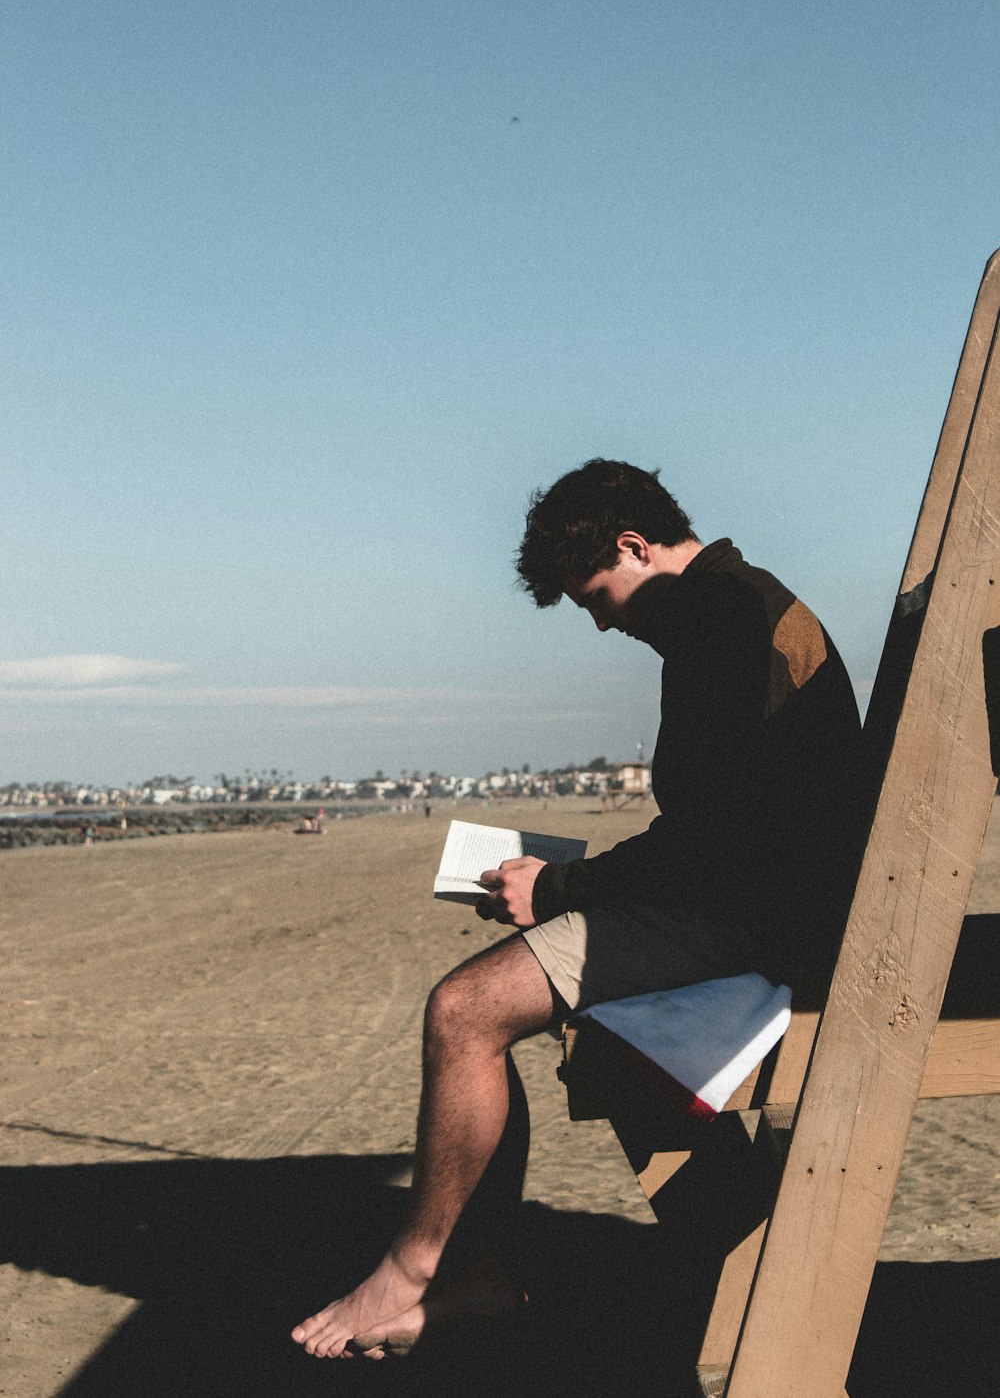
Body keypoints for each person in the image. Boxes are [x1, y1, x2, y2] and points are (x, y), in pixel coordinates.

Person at [291, 458, 863, 1361]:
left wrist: (558, 887)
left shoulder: (710, 614)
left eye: (597, 594)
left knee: (464, 1010)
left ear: (635, 546)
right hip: (779, 901)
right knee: (483, 1005)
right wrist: (570, 882)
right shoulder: (749, 602)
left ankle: (416, 1273)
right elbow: (728, 821)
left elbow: (715, 839)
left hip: (758, 922)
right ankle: (474, 1267)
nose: (602, 621)